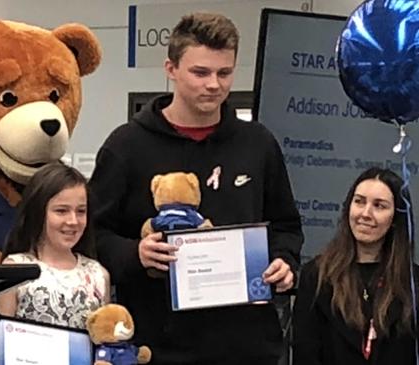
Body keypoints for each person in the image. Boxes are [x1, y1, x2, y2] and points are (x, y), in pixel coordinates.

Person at [88, 12, 303, 364]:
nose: (214, 85)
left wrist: (284, 261)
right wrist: (134, 253)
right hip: (158, 345)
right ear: (171, 68)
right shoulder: (127, 145)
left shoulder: (258, 143)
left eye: (224, 73)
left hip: (246, 345)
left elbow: (286, 225)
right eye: (200, 73)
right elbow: (94, 234)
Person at [293, 167, 417, 365]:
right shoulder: (316, 276)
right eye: (359, 202)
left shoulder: (412, 282)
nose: (366, 213)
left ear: (395, 218)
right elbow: (305, 353)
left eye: (379, 206)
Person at [0, 163, 110, 330]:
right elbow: (2, 339)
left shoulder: (98, 275)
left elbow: (105, 338)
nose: (73, 221)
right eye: (61, 211)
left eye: (81, 211)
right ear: (39, 212)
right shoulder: (15, 269)